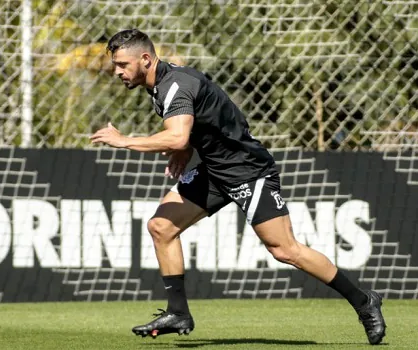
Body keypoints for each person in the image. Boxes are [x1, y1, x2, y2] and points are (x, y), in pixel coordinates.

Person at [90, 29, 386, 345]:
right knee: (161, 227)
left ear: (145, 59)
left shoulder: (174, 85)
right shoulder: (160, 85)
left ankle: (364, 302)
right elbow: (195, 129)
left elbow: (177, 134)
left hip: (248, 170)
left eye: (122, 64)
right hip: (216, 172)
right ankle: (178, 313)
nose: (118, 71)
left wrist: (126, 141)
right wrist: (183, 153)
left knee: (284, 250)